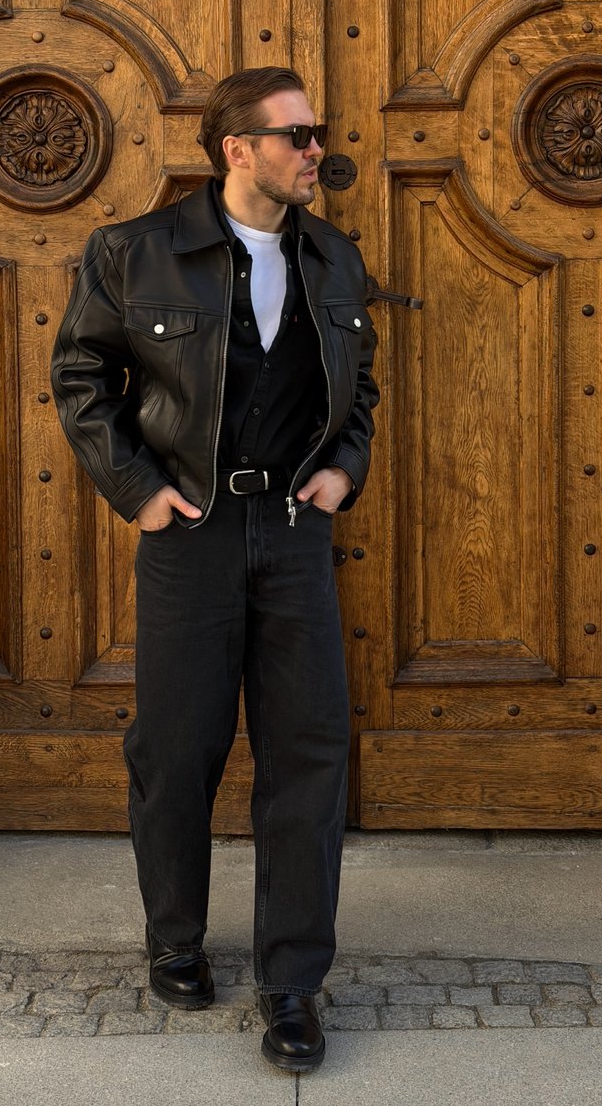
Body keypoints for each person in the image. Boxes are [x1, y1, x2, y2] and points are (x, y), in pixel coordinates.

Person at [51, 66, 379, 1072]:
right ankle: (175, 936)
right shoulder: (134, 252)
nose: (315, 149)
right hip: (188, 534)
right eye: (297, 134)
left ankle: (290, 984)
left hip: (290, 531)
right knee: (177, 749)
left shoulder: (332, 255)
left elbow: (358, 383)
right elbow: (80, 375)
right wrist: (138, 488)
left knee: (309, 754)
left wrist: (341, 470)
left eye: (314, 133)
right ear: (238, 149)